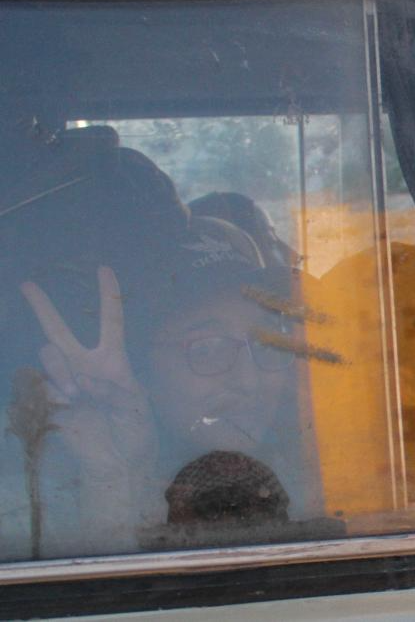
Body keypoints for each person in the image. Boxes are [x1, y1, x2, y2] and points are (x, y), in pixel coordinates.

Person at [16, 217, 320, 555]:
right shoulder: (38, 502)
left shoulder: (319, 470)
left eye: (267, 342)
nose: (249, 381)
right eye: (207, 348)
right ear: (143, 372)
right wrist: (113, 480)